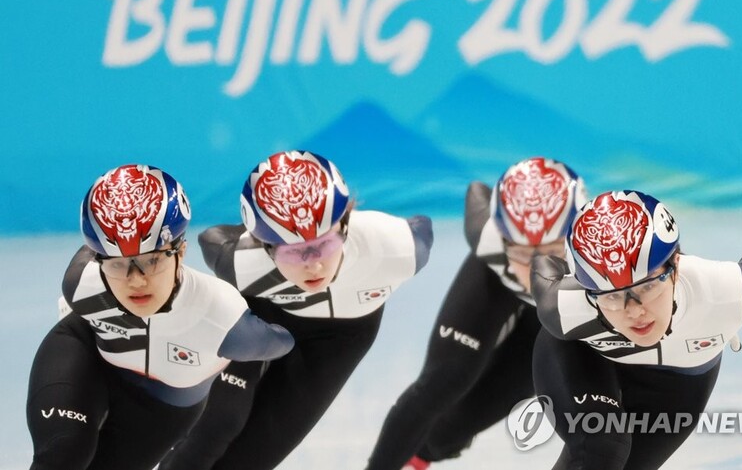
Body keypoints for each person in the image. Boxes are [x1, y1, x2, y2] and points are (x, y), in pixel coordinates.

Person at [158, 150, 434, 470]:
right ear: (265, 247)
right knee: (215, 426)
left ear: (345, 224)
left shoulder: (398, 249)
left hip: (340, 337)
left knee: (253, 457)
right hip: (261, 313)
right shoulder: (241, 263)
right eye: (294, 252)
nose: (313, 263)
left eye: (324, 244)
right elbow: (212, 238)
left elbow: (421, 227)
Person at [25, 164, 295, 470]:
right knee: (63, 454)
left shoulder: (225, 321)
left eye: (152, 260)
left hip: (159, 408)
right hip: (87, 358)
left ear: (181, 252)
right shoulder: (81, 284)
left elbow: (283, 340)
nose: (135, 280)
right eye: (117, 264)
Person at [365, 156, 588, 470]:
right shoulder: (486, 238)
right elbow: (477, 190)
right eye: (524, 254)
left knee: (450, 432)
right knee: (440, 384)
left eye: (552, 252)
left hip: (549, 318)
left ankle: (422, 457)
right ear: (503, 239)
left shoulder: (599, 258)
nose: (539, 269)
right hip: (498, 285)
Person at [531, 190, 742, 470]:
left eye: (647, 287)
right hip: (585, 353)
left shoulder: (732, 294)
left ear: (676, 265)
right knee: (601, 444)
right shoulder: (564, 309)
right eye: (612, 296)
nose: (634, 311)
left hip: (678, 377)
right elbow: (542, 266)